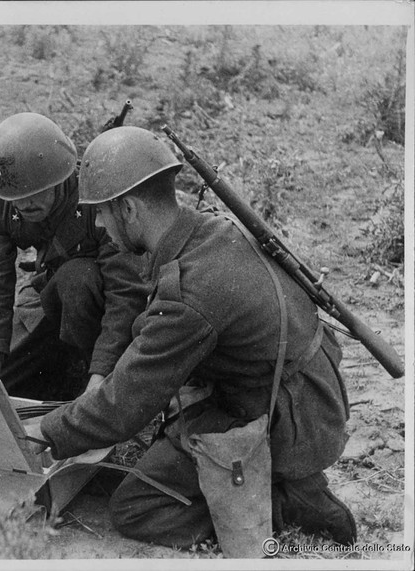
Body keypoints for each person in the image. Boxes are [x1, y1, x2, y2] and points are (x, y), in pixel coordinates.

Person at [27, 126, 355, 548]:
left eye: (103, 213)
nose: (99, 225)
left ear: (128, 209)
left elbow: (123, 408)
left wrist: (46, 431)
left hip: (293, 417)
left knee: (136, 507)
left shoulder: (192, 291)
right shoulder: (209, 230)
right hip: (302, 389)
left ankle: (283, 500)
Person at [0, 112, 148, 401]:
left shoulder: (96, 197)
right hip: (49, 297)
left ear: (61, 179)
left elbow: (126, 294)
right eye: (16, 197)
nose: (25, 203)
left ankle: (88, 378)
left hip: (99, 302)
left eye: (36, 193)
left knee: (77, 279)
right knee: (7, 389)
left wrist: (99, 382)